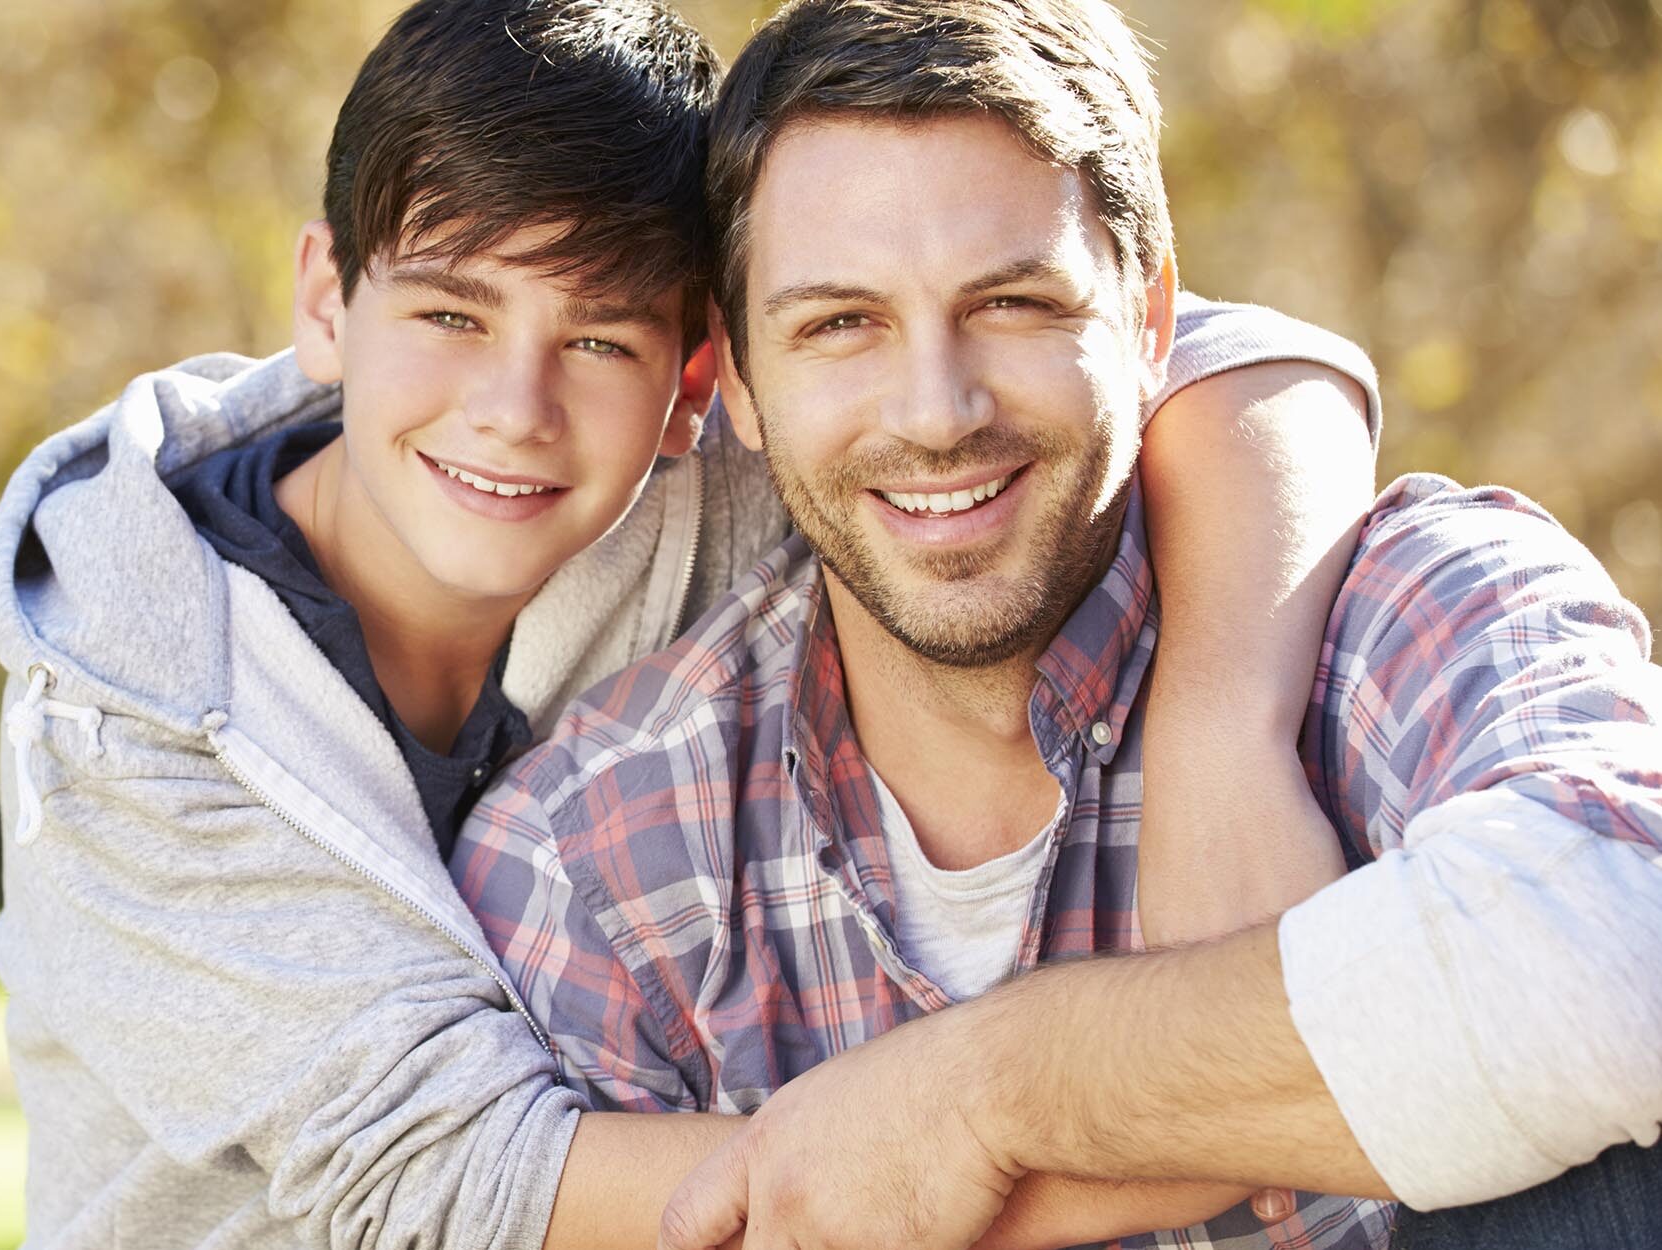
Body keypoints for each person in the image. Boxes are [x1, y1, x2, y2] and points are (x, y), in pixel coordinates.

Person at [0, 0, 1387, 1246]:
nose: (515, 407)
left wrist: (1222, 722)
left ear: (704, 372)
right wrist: (1203, 1116)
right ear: (327, 298)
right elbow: (462, 1182)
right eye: (451, 314)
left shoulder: (724, 474)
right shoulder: (126, 703)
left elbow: (1227, 367)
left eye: (597, 338)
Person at [450, 2, 1662, 1248]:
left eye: (1013, 303)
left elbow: (1634, 940)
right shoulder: (601, 866)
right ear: (740, 384)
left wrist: (991, 1092)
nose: (934, 411)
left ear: (1148, 327)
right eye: (838, 324)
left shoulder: (1389, 614)